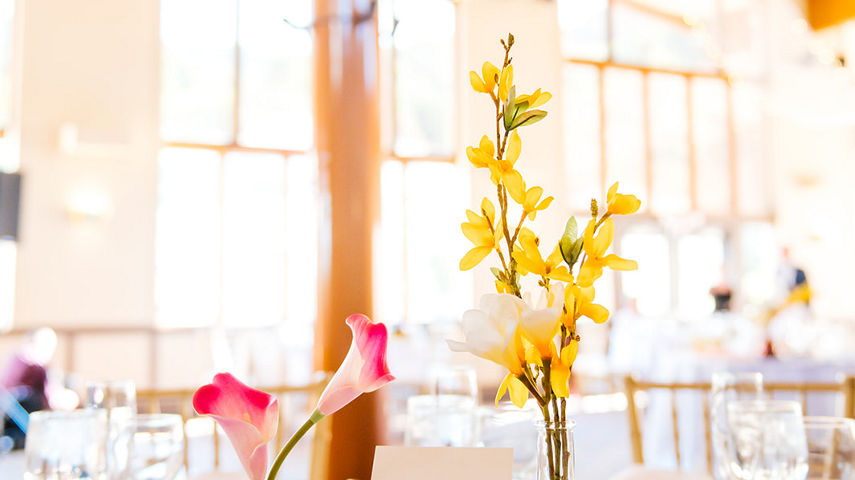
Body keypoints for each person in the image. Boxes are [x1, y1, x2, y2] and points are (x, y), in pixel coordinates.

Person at [0, 328, 57, 449]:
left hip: (9, 412)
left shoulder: (16, 356)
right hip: (20, 411)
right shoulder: (35, 363)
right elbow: (48, 395)